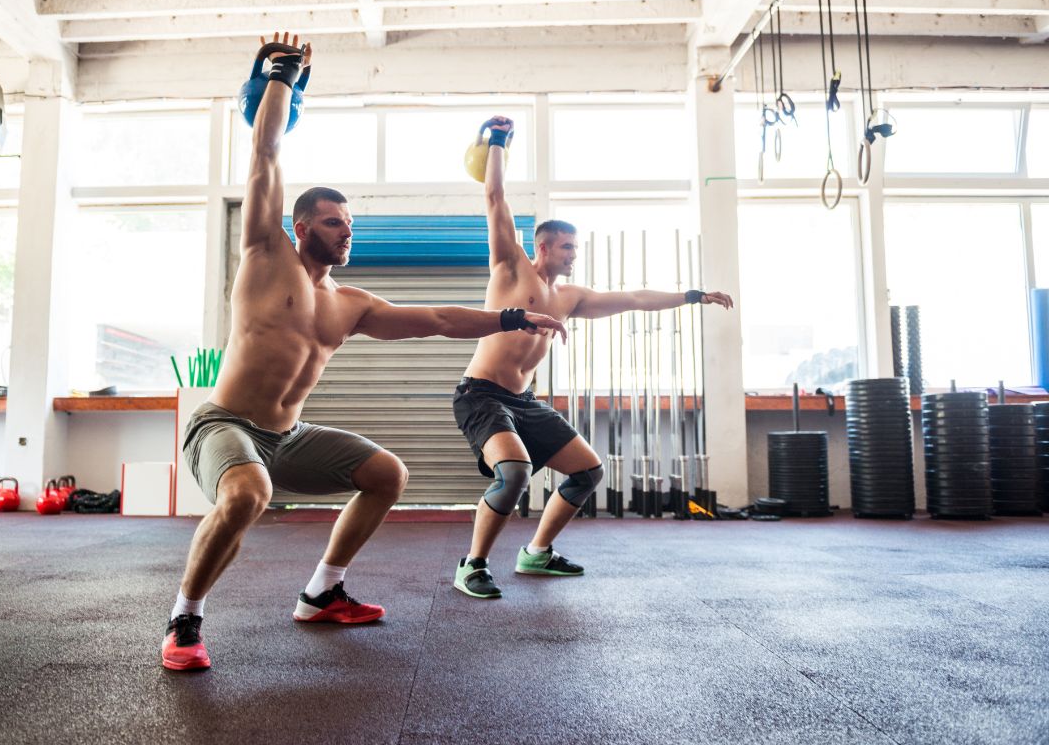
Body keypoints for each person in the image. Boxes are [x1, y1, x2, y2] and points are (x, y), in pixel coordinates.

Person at [163, 38, 567, 670]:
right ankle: (185, 619)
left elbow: (434, 318)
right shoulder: (267, 258)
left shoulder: (348, 303)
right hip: (224, 426)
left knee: (387, 474)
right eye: (332, 223)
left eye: (349, 223)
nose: (345, 231)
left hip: (286, 435)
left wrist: (512, 315)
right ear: (301, 227)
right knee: (247, 494)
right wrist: (282, 77)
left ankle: (322, 592)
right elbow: (264, 152)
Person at [452, 116, 734, 599]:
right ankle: (473, 564)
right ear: (542, 246)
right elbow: (495, 199)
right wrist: (496, 142)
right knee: (515, 472)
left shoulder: (570, 296)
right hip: (482, 397)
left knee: (588, 471)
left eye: (575, 249)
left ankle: (536, 553)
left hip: (524, 400)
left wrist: (692, 295)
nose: (572, 255)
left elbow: (633, 298)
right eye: (566, 247)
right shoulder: (510, 266)